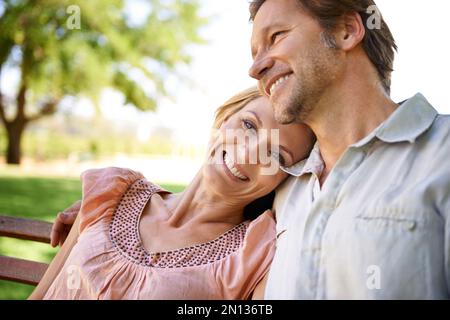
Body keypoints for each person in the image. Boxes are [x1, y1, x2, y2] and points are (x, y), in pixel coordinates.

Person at [29, 87, 315, 299]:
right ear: (225, 118)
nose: (248, 153)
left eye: (276, 155)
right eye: (249, 125)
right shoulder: (113, 191)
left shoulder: (254, 255)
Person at [248, 0, 450, 299]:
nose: (255, 68)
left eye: (276, 37)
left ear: (347, 30)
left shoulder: (442, 155)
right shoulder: (282, 190)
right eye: (255, 53)